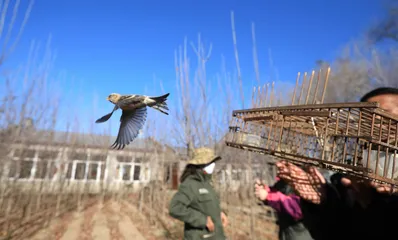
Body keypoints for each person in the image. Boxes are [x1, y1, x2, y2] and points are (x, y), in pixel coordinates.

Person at [275, 87, 398, 239]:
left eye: (386, 116)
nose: (375, 127)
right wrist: (323, 202)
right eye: (367, 120)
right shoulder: (348, 179)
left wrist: (387, 202)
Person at [169, 147, 228, 240]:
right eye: (210, 162)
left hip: (216, 236)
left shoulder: (207, 184)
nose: (213, 165)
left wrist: (218, 213)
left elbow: (205, 206)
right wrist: (202, 220)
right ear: (201, 165)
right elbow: (175, 208)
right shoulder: (190, 185)